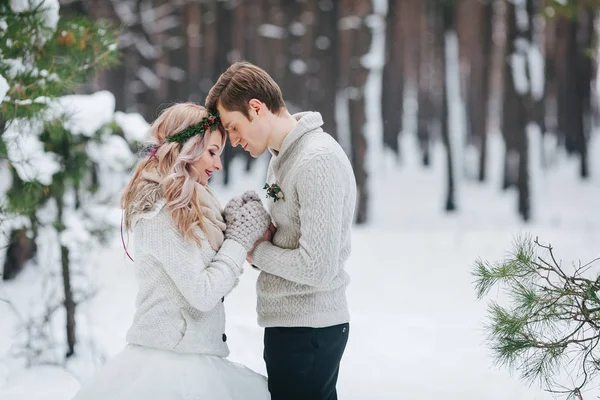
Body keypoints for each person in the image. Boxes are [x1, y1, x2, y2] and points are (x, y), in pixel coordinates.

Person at [71, 102, 271, 400]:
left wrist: (229, 229)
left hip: (194, 356)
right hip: (170, 367)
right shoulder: (160, 212)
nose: (218, 165)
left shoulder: (192, 207)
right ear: (187, 147)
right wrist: (237, 241)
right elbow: (203, 293)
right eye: (212, 152)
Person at [206, 62, 357, 400]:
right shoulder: (283, 158)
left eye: (233, 127)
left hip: (310, 329)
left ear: (256, 108)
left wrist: (255, 250)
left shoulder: (316, 160)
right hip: (293, 326)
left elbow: (318, 268)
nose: (233, 141)